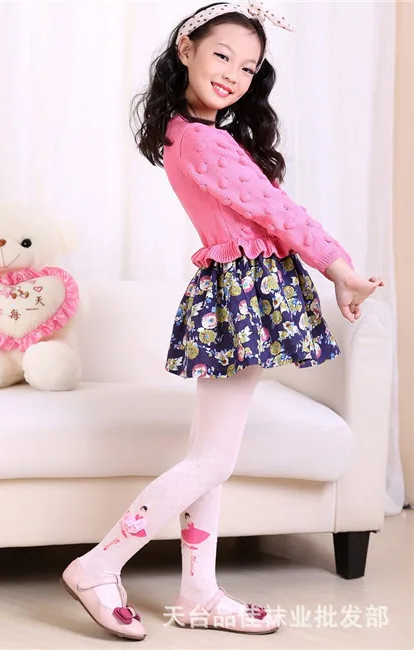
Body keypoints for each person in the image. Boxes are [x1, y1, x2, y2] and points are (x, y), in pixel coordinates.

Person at [61, 1, 384, 640]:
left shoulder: (187, 132)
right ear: (186, 49)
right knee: (211, 460)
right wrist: (339, 267)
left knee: (208, 456)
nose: (234, 74)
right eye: (222, 55)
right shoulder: (202, 140)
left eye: (249, 66)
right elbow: (276, 211)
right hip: (243, 295)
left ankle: (199, 591)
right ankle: (99, 565)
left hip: (237, 291)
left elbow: (266, 211)